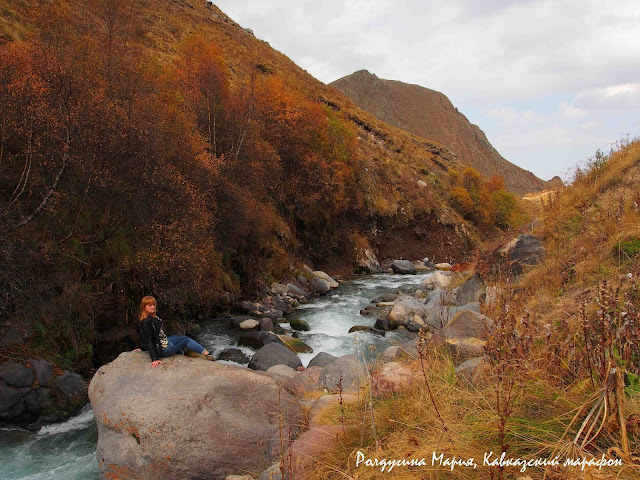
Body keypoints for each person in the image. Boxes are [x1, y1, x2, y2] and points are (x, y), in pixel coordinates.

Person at [137, 295, 214, 367]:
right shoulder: (147, 321)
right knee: (186, 340)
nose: (153, 307)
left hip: (164, 342)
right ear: (144, 307)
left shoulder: (154, 315)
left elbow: (144, 335)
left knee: (175, 336)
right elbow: (149, 339)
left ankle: (181, 354)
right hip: (164, 350)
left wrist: (142, 348)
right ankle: (206, 353)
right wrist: (155, 359)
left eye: (154, 304)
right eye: (149, 305)